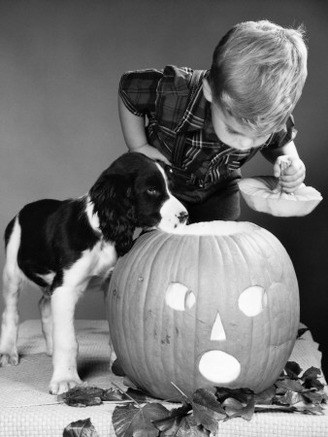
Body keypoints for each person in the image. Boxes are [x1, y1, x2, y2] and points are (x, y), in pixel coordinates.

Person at [118, 20, 308, 222]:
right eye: (233, 131)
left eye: (258, 137)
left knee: (223, 243)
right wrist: (138, 145)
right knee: (161, 241)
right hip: (167, 180)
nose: (244, 144)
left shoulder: (270, 115)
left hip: (221, 187)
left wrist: (291, 164)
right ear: (210, 90)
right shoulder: (176, 92)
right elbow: (129, 90)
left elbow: (281, 142)